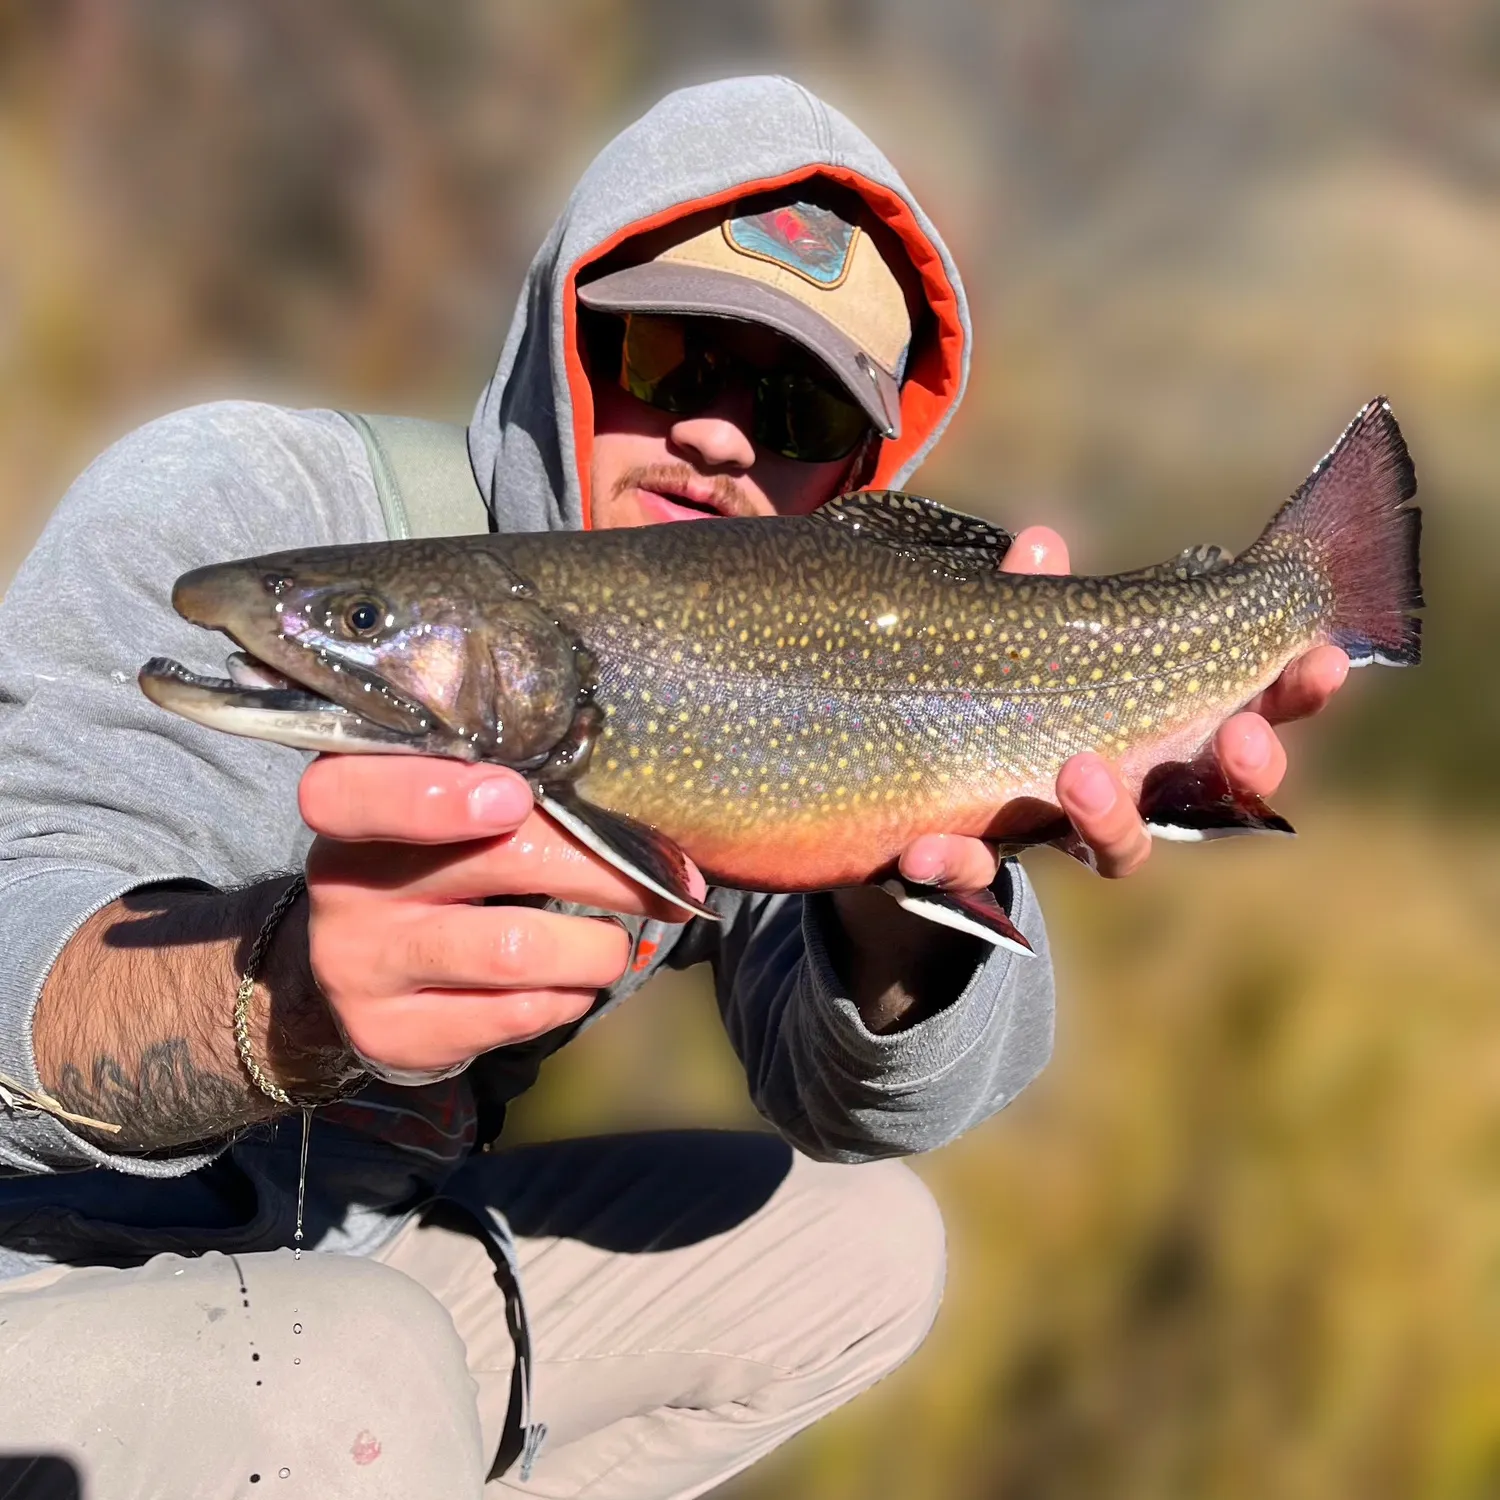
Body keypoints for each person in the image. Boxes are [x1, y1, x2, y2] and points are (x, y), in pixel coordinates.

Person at [0, 77, 1345, 1498]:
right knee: (360, 1374)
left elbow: (873, 1107)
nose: (721, 435)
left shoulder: (775, 667)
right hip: (46, 1270)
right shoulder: (245, 497)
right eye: (664, 355)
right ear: (563, 344)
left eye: (797, 405)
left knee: (869, 1253)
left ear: (856, 472)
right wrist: (280, 994)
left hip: (361, 1261)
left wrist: (905, 899)